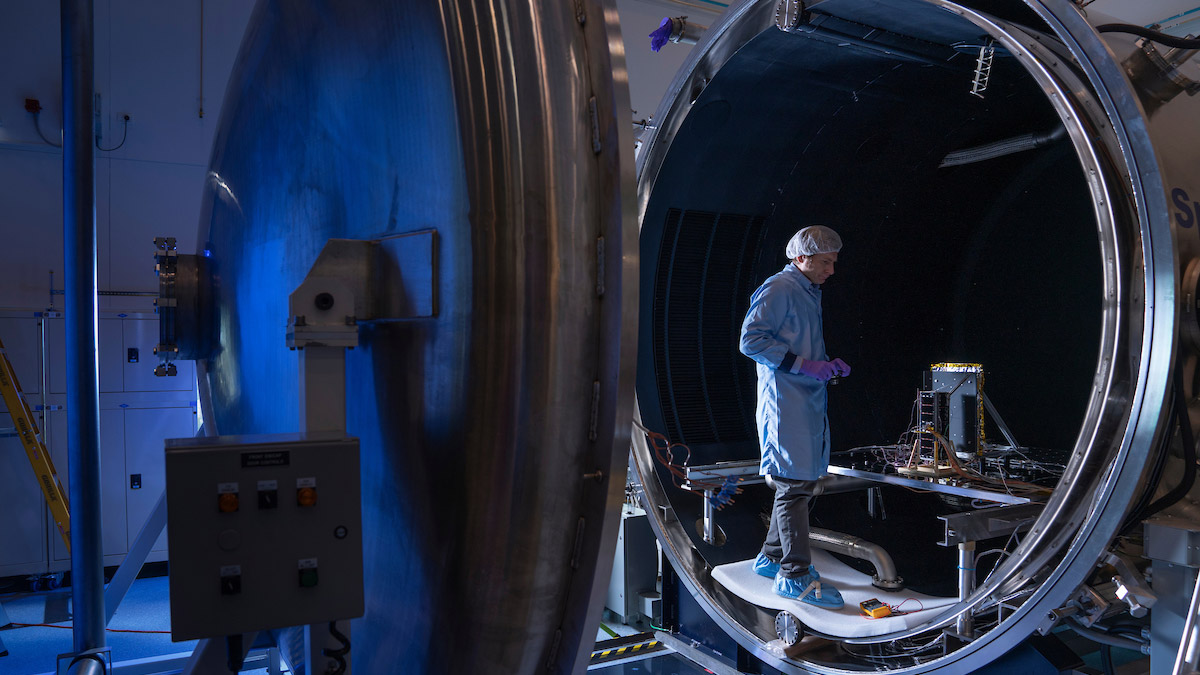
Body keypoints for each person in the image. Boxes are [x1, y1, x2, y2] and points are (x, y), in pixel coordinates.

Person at [738, 225, 850, 609]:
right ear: (801, 258)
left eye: (833, 263)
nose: (831, 270)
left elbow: (794, 342)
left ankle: (770, 558)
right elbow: (750, 340)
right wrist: (805, 366)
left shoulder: (805, 291)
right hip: (784, 405)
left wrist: (823, 366)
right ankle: (794, 575)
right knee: (792, 488)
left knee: (798, 485)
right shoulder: (780, 288)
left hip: (801, 401)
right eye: (825, 262)